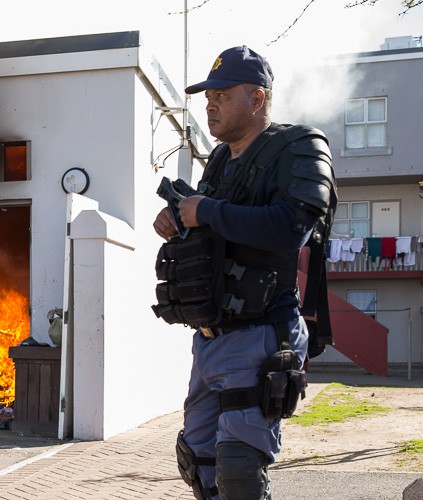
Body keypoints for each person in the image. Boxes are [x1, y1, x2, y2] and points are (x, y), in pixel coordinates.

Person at [152, 46, 336, 499]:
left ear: (257, 99)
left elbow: (290, 228)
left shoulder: (299, 147)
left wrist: (207, 210)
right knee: (201, 461)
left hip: (262, 332)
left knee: (238, 465)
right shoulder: (218, 161)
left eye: (221, 93)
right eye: (206, 95)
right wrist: (176, 218)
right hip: (211, 338)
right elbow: (208, 227)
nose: (209, 103)